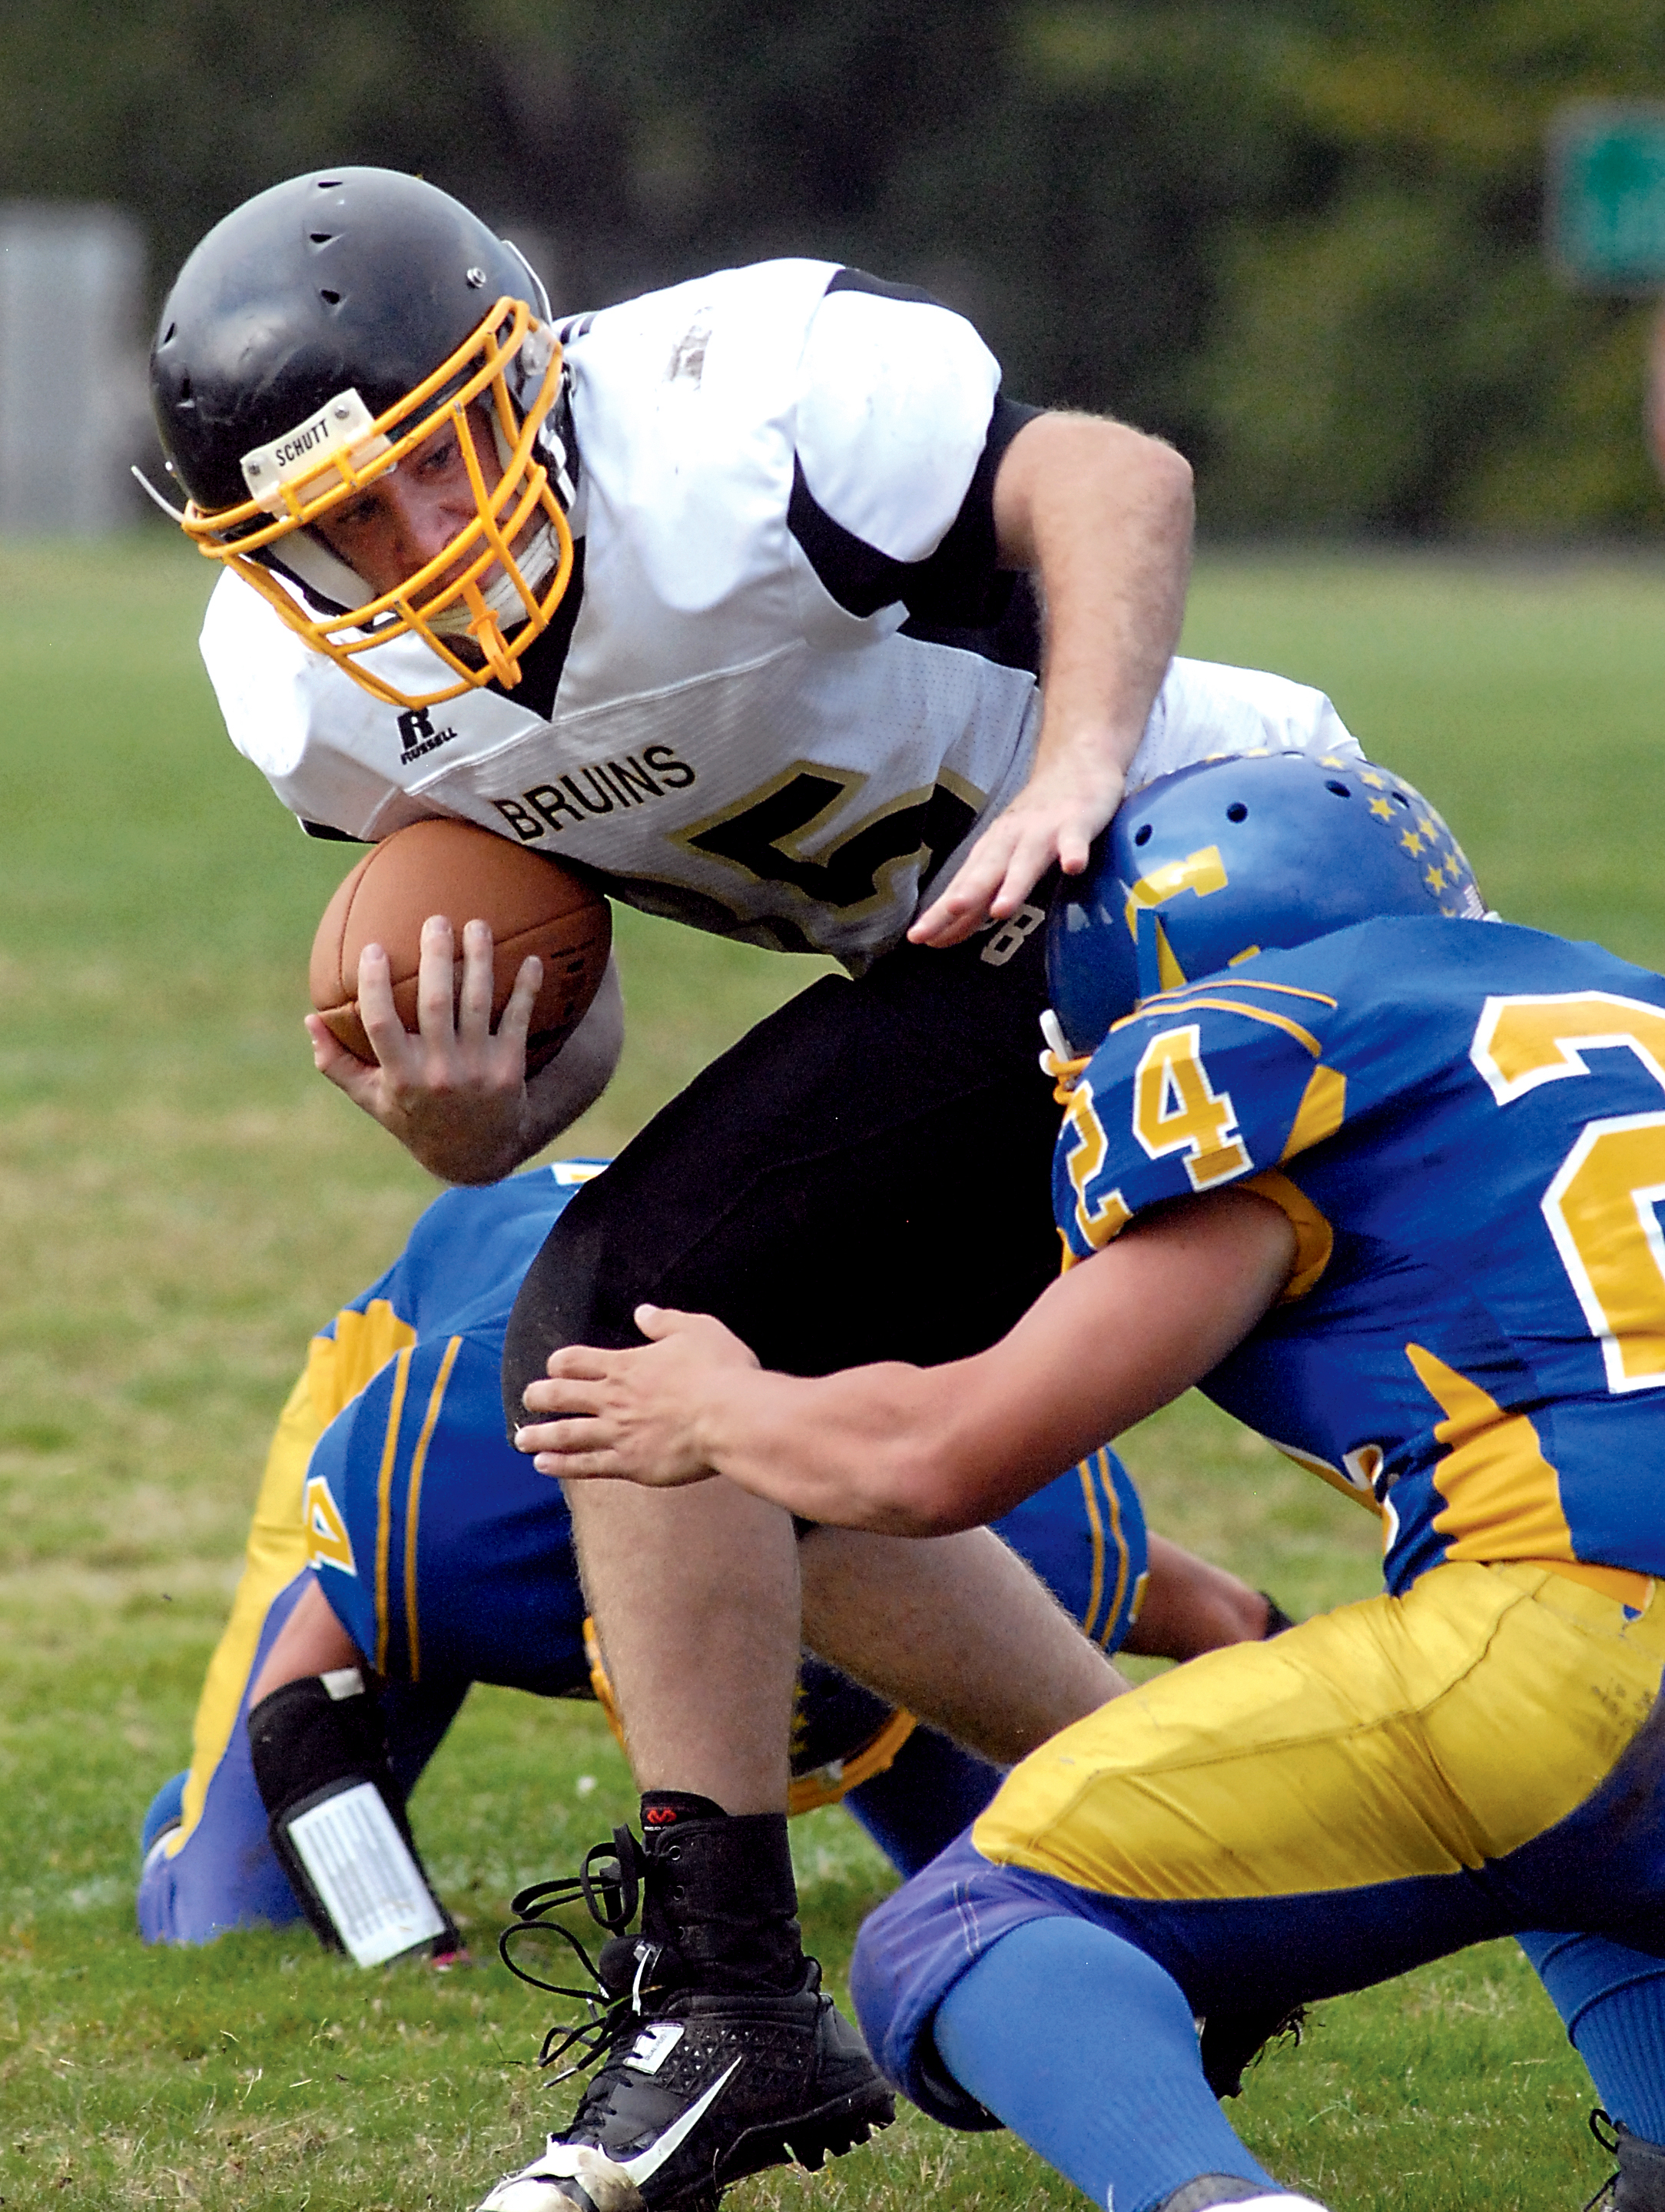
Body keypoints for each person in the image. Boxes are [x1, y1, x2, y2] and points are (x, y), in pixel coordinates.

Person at [148, 163, 1358, 2208]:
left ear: (521, 376)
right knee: (648, 1357)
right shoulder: (318, 690)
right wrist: (468, 1119)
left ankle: (861, 1968)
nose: (412, 543)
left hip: (1226, 867)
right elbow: (580, 1013)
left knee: (1475, 1445)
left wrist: (1072, 768)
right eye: (334, 527)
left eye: (429, 466)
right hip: (957, 975)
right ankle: (841, 1964)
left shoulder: (741, 406)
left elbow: (1119, 476)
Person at [525, 748, 1665, 2212]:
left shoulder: (1271, 1044)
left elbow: (945, 1455)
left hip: (1580, 1637)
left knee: (960, 1937)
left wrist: (724, 1412)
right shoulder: (1610, 1010)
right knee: (1587, 1842)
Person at [139, 1157, 1285, 1960]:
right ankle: (179, 1821)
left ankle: (879, 1761)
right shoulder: (448, 1511)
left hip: (797, 1422)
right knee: (231, 1910)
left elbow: (1233, 1624)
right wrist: (403, 1936)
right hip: (469, 1360)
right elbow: (309, 1679)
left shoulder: (1025, 1527)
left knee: (1069, 1880)